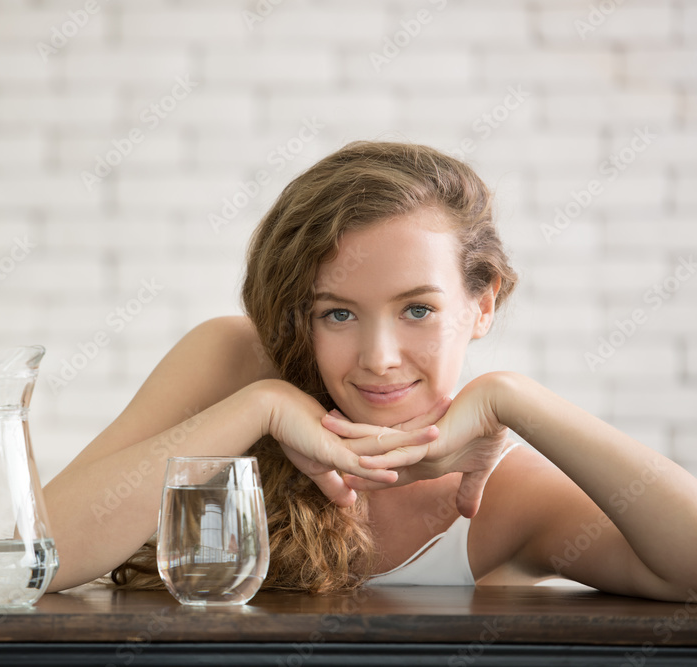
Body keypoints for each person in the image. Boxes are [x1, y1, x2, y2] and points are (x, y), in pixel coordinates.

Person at [42, 141, 697, 601]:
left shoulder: (502, 496)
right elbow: (40, 556)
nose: (379, 357)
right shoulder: (231, 363)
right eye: (338, 315)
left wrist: (515, 398)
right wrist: (261, 406)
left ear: (483, 301)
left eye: (417, 308)